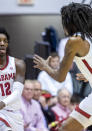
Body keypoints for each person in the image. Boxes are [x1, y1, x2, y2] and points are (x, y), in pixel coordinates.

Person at [33, 3, 92, 131]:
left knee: (66, 128)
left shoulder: (74, 41)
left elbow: (60, 77)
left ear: (69, 21)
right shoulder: (88, 37)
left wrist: (45, 66)